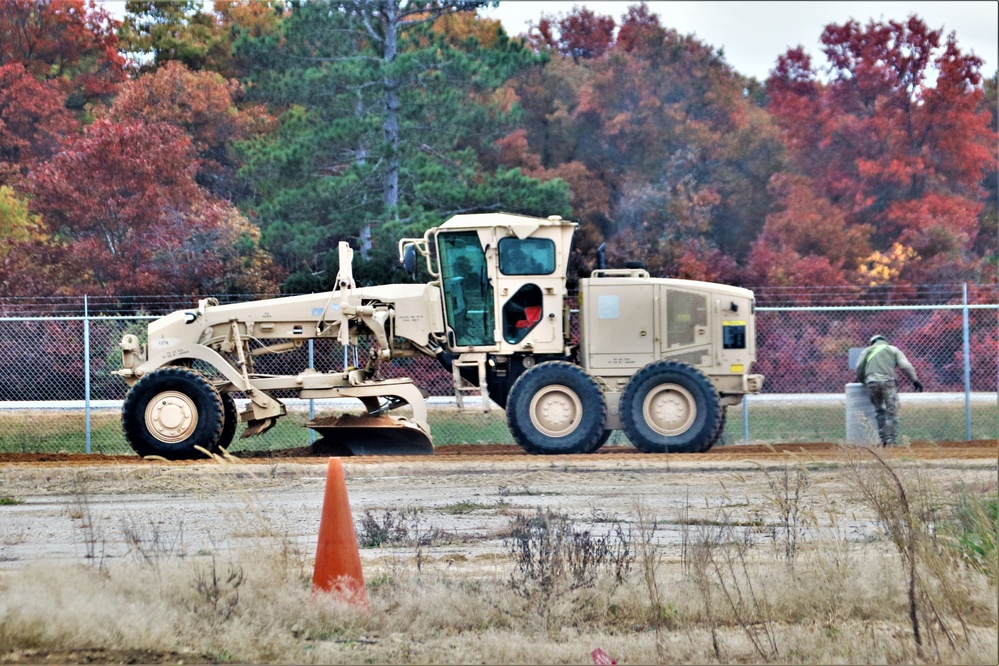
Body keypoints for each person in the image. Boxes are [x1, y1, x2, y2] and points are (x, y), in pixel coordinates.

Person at [855, 334, 924, 446]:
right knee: (892, 412)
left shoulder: (867, 351)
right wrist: (914, 380)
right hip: (888, 383)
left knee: (880, 411)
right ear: (884, 341)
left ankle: (883, 441)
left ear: (872, 342)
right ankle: (892, 441)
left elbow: (859, 367)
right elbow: (905, 365)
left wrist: (863, 380)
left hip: (871, 383)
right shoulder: (893, 349)